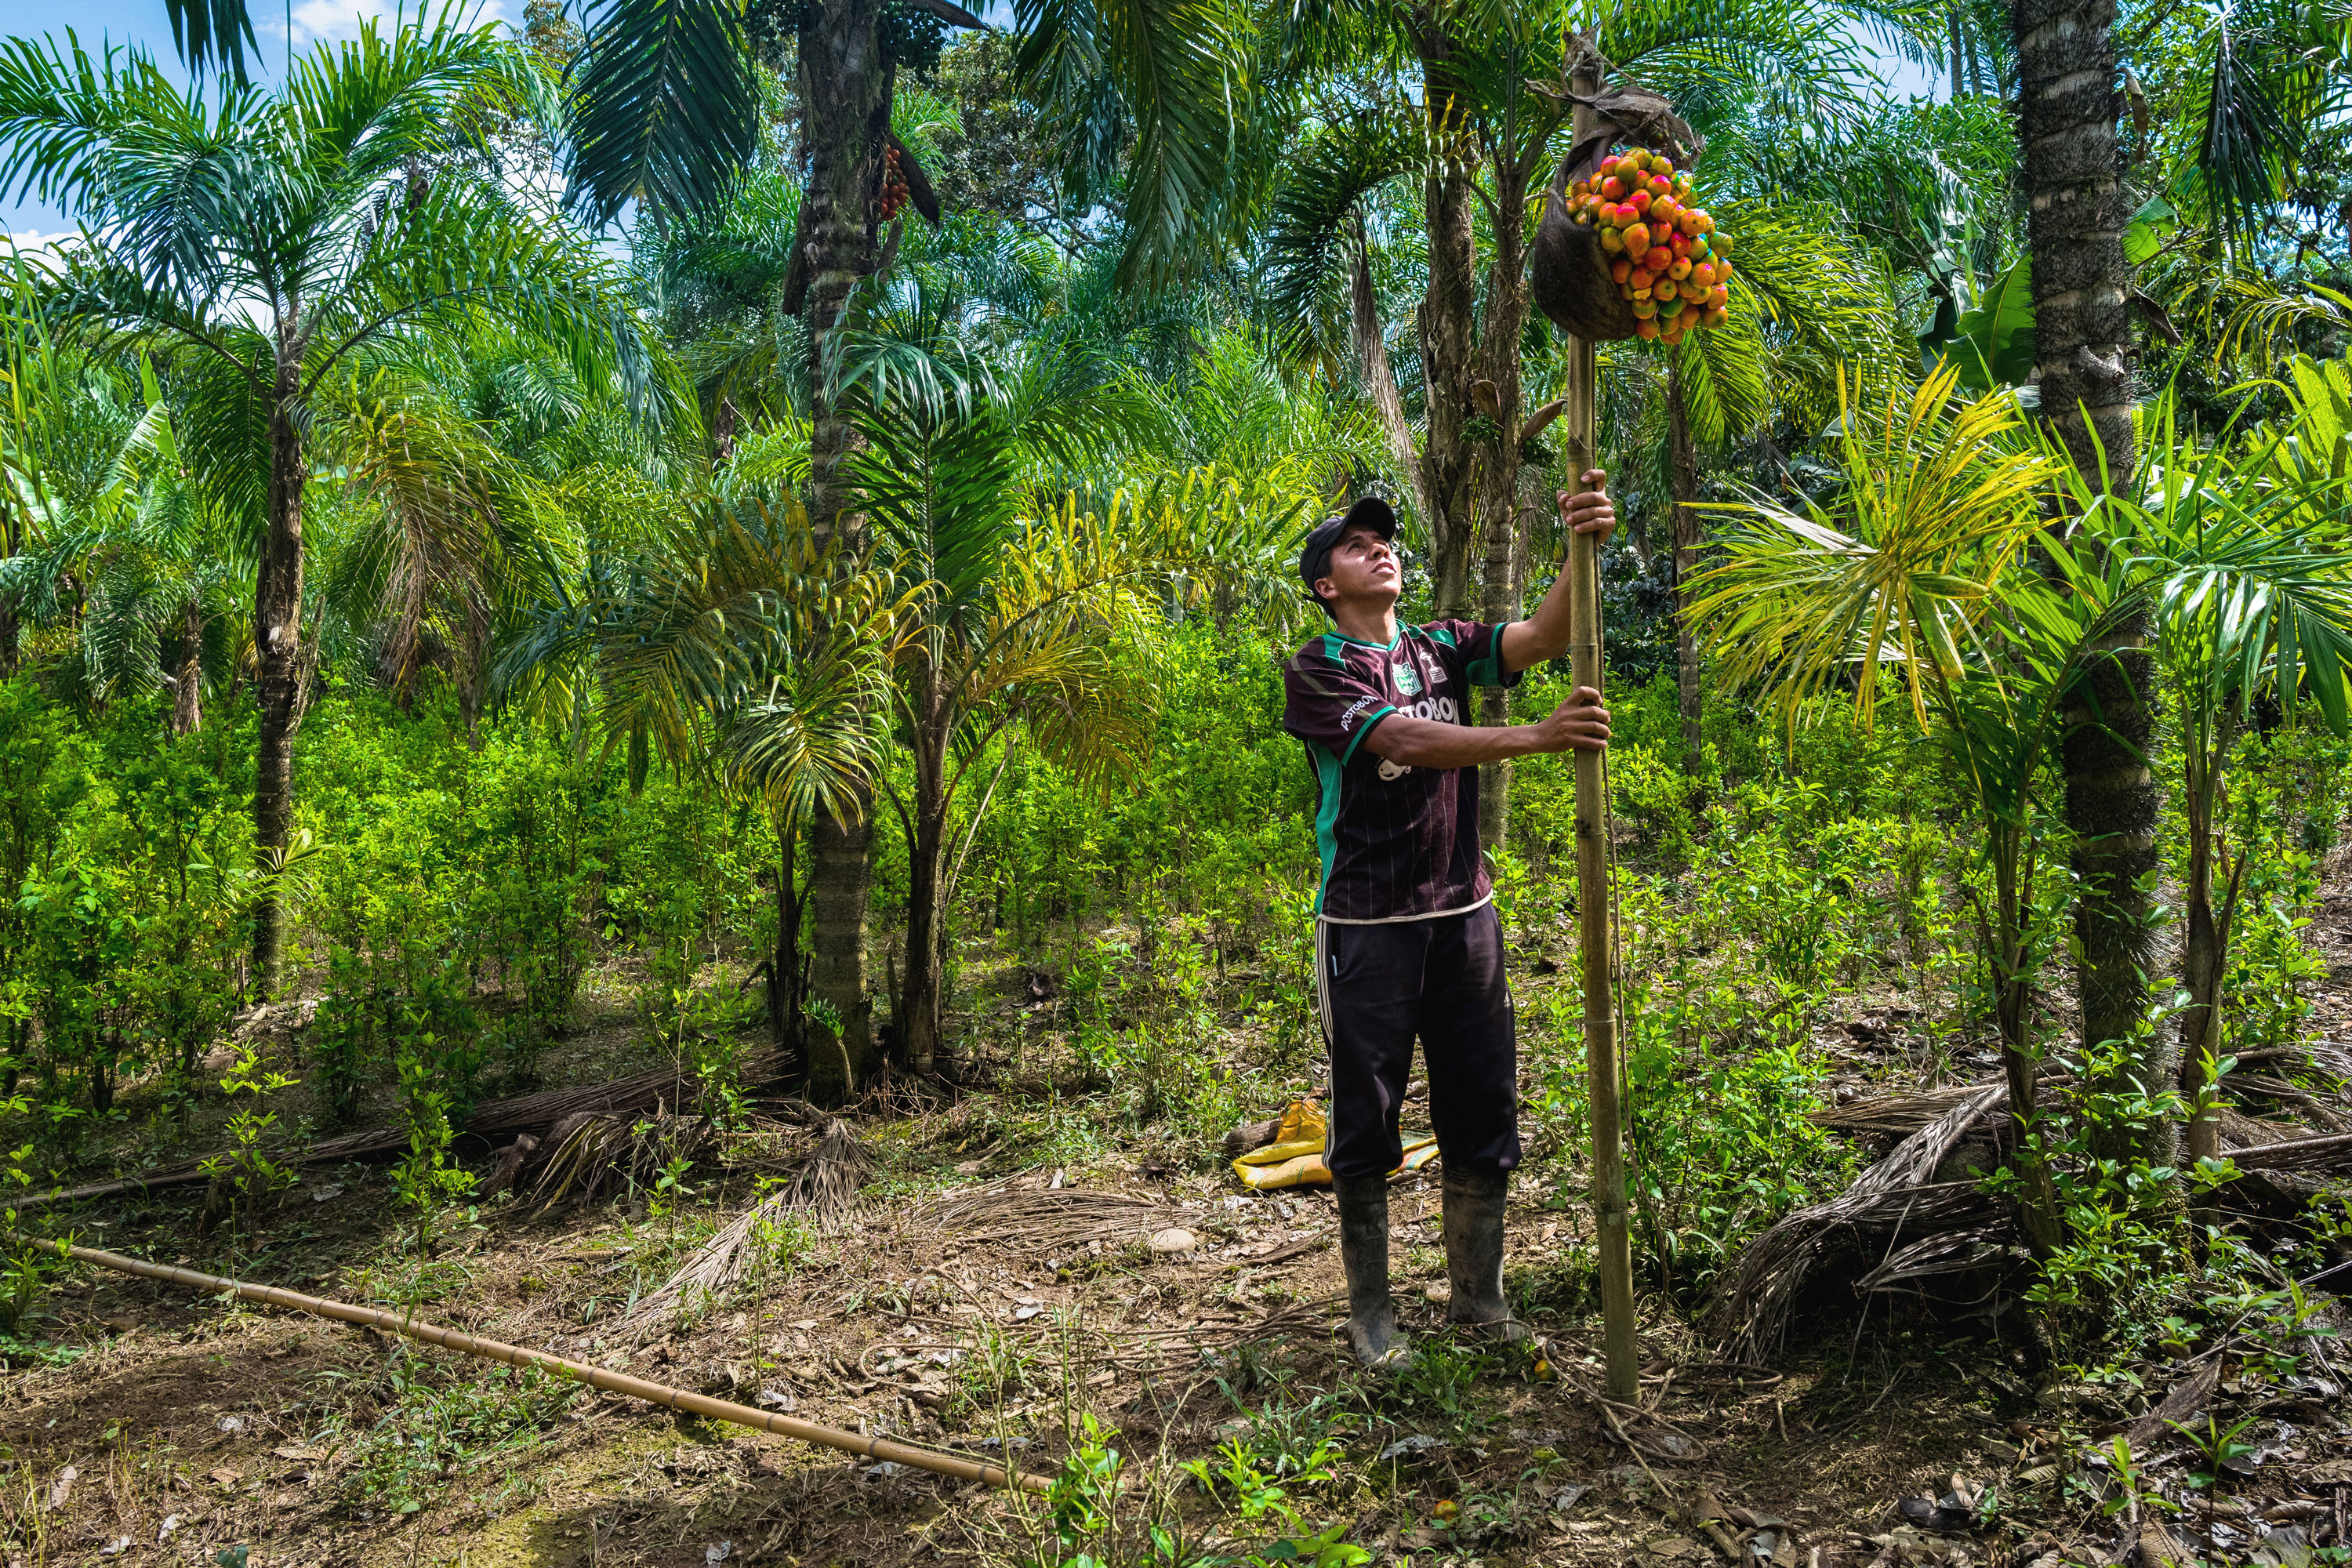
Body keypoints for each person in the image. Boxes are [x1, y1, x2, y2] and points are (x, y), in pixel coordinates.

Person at [1281, 474, 1617, 1370]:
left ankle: (1480, 1299)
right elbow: (1399, 741)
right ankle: (1373, 1314)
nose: (1380, 549)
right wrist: (1536, 738)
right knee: (1368, 1116)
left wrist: (1577, 542)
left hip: (1465, 914)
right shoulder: (1320, 667)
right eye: (1357, 545)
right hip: (1367, 922)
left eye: (1385, 540)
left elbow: (1543, 636)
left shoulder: (1441, 645)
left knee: (1481, 1101)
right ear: (1327, 584)